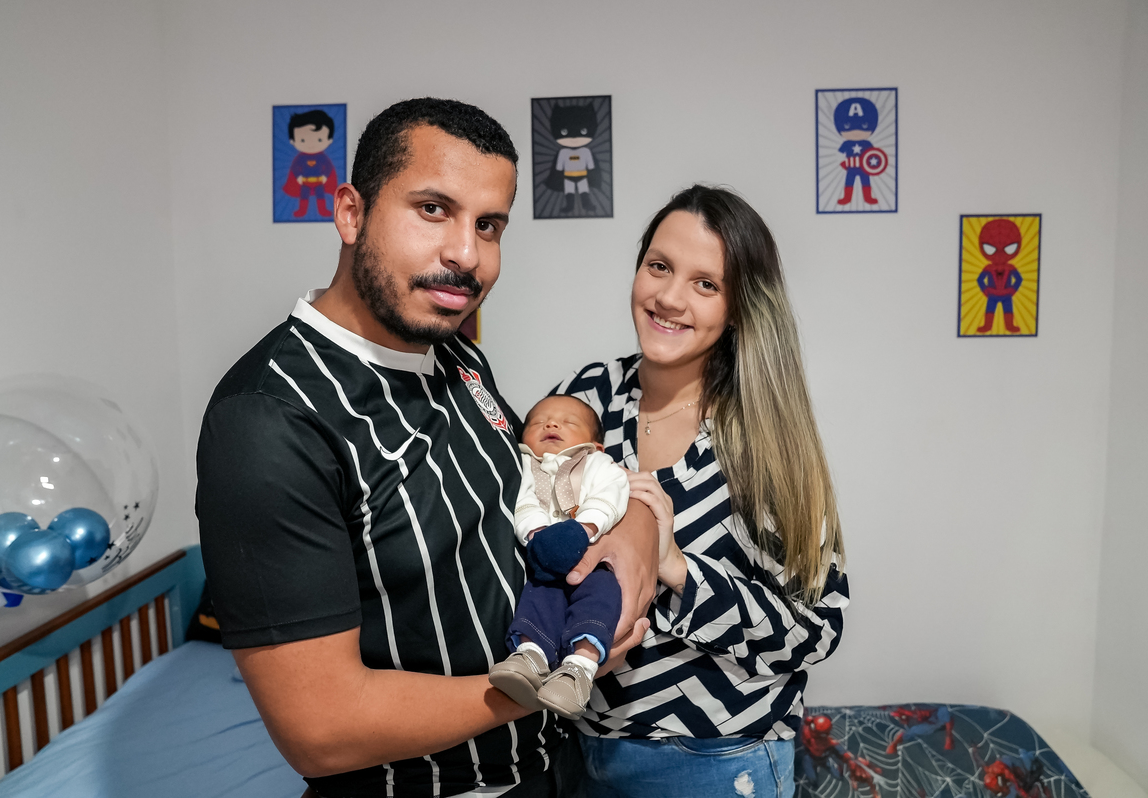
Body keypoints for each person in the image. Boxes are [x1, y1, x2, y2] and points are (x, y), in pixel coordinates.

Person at [195, 98, 657, 798]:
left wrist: (635, 529)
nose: (466, 255)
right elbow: (320, 729)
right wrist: (547, 684)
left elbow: (544, 484)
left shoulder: (457, 358)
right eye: (433, 210)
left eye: (488, 225)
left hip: (545, 772)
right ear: (351, 214)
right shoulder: (270, 419)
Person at [554, 184, 850, 798]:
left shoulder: (764, 432)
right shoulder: (587, 395)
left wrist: (677, 570)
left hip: (716, 760)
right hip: (575, 748)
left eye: (706, 284)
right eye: (659, 266)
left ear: (739, 306)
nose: (669, 298)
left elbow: (817, 627)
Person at [490, 395, 629, 720]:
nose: (551, 424)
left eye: (569, 422)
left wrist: (585, 527)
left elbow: (611, 493)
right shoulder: (521, 464)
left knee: (601, 596)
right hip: (543, 556)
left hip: (591, 553)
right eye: (538, 422)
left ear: (595, 443)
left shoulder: (597, 463)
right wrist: (537, 533)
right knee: (538, 595)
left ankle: (579, 670)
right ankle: (530, 655)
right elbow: (522, 501)